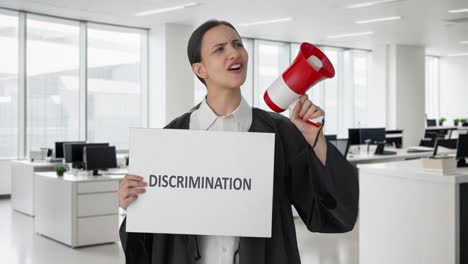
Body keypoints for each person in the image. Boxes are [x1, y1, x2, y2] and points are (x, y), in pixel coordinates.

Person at [119, 19, 359, 264]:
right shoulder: (172, 137)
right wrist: (134, 204)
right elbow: (150, 236)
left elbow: (328, 212)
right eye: (219, 49)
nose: (234, 52)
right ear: (200, 69)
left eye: (237, 44)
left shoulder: (280, 133)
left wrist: (313, 140)